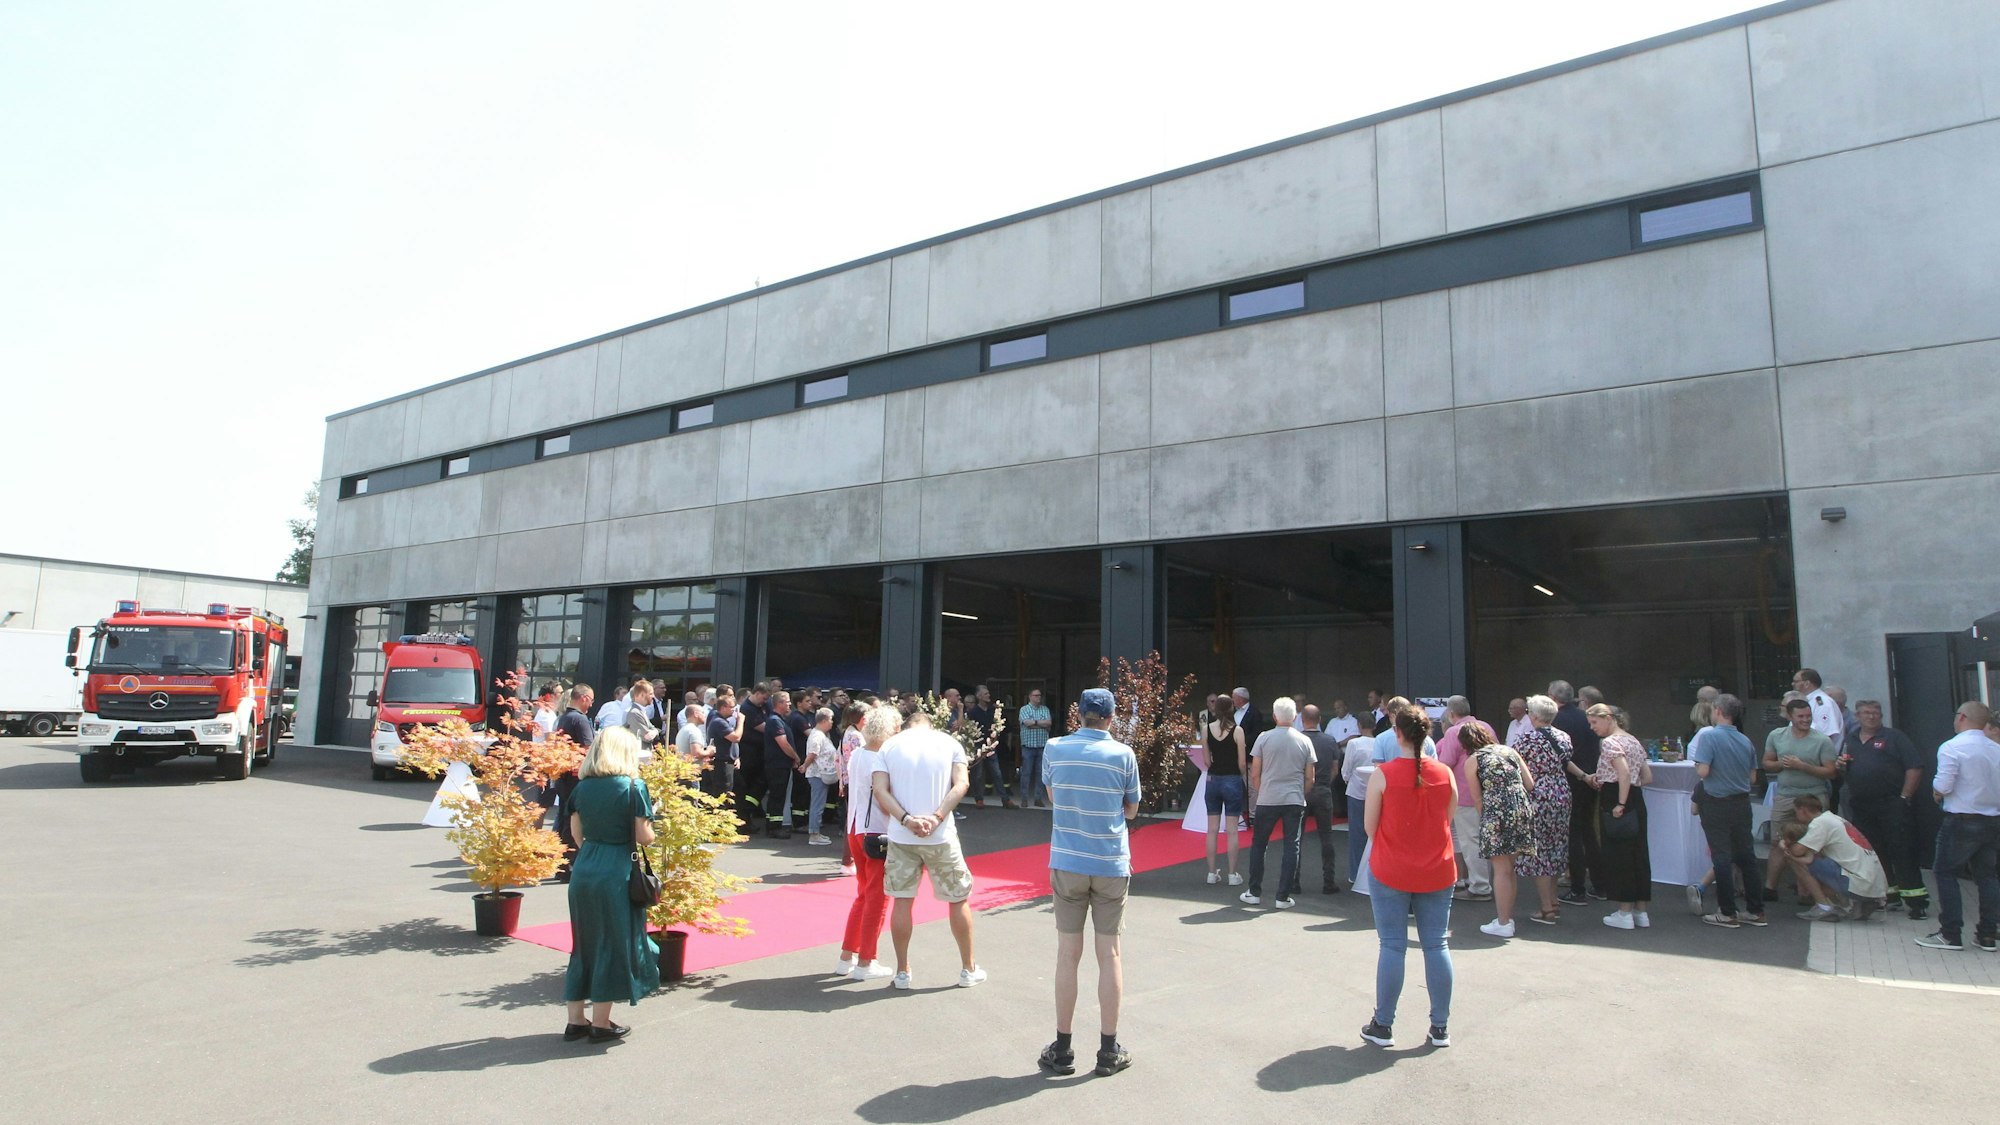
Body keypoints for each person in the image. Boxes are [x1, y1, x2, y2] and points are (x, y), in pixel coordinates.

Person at [1037, 687, 1140, 1078]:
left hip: (1068, 860)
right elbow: (1131, 808)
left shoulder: (1055, 748)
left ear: (1078, 714)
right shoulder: (1123, 754)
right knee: (1109, 954)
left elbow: (1052, 794)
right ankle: (1108, 1049)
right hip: (1111, 861)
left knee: (1068, 954)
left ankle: (1062, 1049)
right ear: (1111, 718)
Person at [1360, 704, 1456, 1050]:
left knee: (1392, 945)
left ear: (1396, 733)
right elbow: (1448, 817)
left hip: (1391, 868)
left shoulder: (1382, 775)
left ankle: (1383, 1024)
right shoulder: (1445, 773)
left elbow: (1371, 826)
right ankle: (1440, 1027)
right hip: (1437, 868)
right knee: (1436, 944)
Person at [870, 706, 985, 988]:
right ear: (930, 725)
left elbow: (880, 790)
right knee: (958, 899)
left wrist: (907, 819)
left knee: (902, 899)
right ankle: (967, 968)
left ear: (905, 726)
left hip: (902, 835)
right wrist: (937, 816)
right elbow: (961, 784)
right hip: (940, 835)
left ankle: (902, 971)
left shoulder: (889, 746)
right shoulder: (949, 743)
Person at [561, 725, 658, 1043]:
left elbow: (577, 835)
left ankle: (576, 1021)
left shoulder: (583, 787)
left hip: (585, 870)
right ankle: (601, 1023)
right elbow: (645, 836)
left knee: (584, 946)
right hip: (617, 873)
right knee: (613, 944)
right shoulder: (633, 786)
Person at [1917, 702, 2000, 952]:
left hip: (1962, 818)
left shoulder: (1952, 747)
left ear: (1961, 717)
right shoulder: (1995, 748)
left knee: (1944, 872)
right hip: (1992, 819)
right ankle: (1987, 934)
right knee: (1987, 876)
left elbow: (1943, 785)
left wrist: (1937, 791)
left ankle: (1950, 933)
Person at [1843, 700, 1928, 918]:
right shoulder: (1851, 738)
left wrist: (1904, 797)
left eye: (1876, 713)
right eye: (1867, 713)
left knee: (1902, 850)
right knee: (1874, 852)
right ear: (1857, 715)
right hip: (1862, 806)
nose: (1872, 717)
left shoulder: (1894, 737)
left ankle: (1916, 902)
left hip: (1892, 804)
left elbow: (1914, 767)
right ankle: (1889, 896)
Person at [1689, 694, 1767, 928]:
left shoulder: (1709, 737)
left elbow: (1703, 772)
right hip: (1741, 801)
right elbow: (1753, 776)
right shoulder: (1745, 740)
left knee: (1721, 856)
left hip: (1717, 800)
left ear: (1718, 711)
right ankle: (1756, 910)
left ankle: (1727, 911)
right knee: (1746, 856)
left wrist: (1699, 766)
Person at [837, 704, 900, 981]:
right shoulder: (881, 758)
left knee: (864, 895)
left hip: (855, 829)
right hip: (874, 832)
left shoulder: (859, 754)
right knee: (877, 897)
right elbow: (884, 800)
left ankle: (847, 956)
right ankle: (866, 960)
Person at [1239, 697, 1314, 910]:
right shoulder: (1304, 740)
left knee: (1259, 844)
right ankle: (1283, 896)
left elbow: (1255, 773)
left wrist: (1264, 791)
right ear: (1295, 717)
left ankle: (1254, 891)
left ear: (1274, 716)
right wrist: (1300, 793)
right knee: (1292, 845)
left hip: (1268, 798)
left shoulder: (1264, 738)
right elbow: (1310, 777)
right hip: (1293, 798)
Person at [1762, 697, 1839, 902]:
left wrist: (1803, 766)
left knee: (1815, 844)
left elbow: (1831, 772)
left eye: (1808, 716)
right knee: (1778, 841)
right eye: (1801, 716)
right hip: (1786, 795)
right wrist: (1782, 764)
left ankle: (1810, 891)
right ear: (1790, 716)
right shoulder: (1776, 736)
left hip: (1814, 795)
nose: (1805, 720)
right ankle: (1770, 887)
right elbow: (1767, 763)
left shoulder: (1821, 740)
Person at [1463, 723, 1534, 938]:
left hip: (1496, 814)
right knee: (1509, 868)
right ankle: (1506, 917)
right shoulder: (1509, 750)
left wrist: (1487, 820)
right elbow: (1530, 783)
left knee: (1501, 870)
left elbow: (1477, 799)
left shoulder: (1473, 760)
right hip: (1521, 809)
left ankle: (1504, 923)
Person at [1588, 703, 1654, 930]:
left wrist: (1620, 802)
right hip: (1636, 799)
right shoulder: (1633, 740)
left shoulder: (1610, 742)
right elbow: (1646, 777)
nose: (1592, 727)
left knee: (1619, 855)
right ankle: (1641, 912)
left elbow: (1623, 772)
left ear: (1608, 718)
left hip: (1617, 798)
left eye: (1594, 722)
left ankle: (1624, 912)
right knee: (1639, 853)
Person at [1775, 793, 1888, 922]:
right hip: (1874, 884)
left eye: (1796, 812)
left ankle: (1824, 907)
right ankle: (1858, 903)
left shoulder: (1820, 823)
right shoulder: (1835, 819)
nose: (1796, 816)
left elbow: (1797, 851)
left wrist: (1783, 844)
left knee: (1795, 859)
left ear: (1803, 810)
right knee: (1820, 859)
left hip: (1858, 883)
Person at [1510, 695, 1571, 925]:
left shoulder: (1526, 739)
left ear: (1533, 715)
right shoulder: (1563, 737)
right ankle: (1553, 901)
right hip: (1562, 791)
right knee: (1556, 847)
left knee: (1540, 852)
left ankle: (1547, 909)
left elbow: (1514, 763)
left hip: (1538, 793)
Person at [1435, 696, 1496, 903]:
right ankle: (1483, 881)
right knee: (1484, 839)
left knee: (1470, 841)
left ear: (1451, 714)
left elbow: (1445, 763)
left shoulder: (1454, 732)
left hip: (1465, 793)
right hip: (1488, 792)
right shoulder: (1486, 726)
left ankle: (1479, 886)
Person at [1549, 680, 1603, 906]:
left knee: (1573, 835)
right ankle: (1600, 885)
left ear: (1552, 697)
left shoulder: (1556, 721)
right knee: (1589, 832)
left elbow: (1560, 757)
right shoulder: (1585, 717)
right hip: (1591, 778)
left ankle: (1577, 887)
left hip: (1571, 780)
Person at [550, 684, 596, 883]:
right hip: (576, 777)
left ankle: (561, 865)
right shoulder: (580, 719)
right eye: (591, 700)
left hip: (562, 775)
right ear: (584, 698)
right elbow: (588, 748)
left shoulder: (563, 718)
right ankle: (570, 864)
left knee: (563, 820)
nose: (592, 704)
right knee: (573, 822)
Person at [1202, 701, 1248, 886]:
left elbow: (1206, 761)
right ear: (1231, 710)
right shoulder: (1238, 731)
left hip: (1213, 779)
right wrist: (1239, 775)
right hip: (1232, 779)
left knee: (1211, 830)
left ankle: (1211, 873)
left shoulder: (1206, 729)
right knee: (1232, 831)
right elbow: (1242, 763)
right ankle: (1232, 874)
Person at [1300, 705, 1344, 894]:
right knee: (1326, 837)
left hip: (1301, 791)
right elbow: (1335, 768)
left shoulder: (1298, 740)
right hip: (1323, 790)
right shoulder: (1330, 740)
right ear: (1320, 720)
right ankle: (1329, 881)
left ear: (1302, 720)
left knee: (1296, 837)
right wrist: (1325, 782)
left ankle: (1293, 881)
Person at [965, 685, 1012, 808]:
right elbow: (969, 729)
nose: (988, 696)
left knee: (997, 773)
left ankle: (1005, 799)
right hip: (978, 746)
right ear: (979, 696)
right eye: (986, 694)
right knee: (978, 774)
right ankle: (979, 799)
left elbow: (999, 726)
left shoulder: (993, 711)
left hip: (991, 746)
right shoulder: (973, 712)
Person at [762, 690, 801, 839]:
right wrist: (796, 757)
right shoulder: (774, 721)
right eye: (787, 701)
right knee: (777, 796)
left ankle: (774, 825)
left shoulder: (779, 720)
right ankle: (774, 827)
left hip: (781, 764)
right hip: (777, 765)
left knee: (778, 796)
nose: (790, 704)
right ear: (779, 703)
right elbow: (783, 743)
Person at [803, 707, 842, 846]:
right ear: (824, 720)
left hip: (821, 774)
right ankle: (814, 834)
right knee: (817, 804)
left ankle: (816, 832)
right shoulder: (817, 735)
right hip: (818, 774)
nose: (832, 722)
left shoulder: (820, 735)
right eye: (831, 720)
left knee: (818, 803)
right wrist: (804, 766)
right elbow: (812, 753)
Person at [736, 682, 771, 829]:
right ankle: (744, 817)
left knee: (760, 783)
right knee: (748, 785)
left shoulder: (764, 706)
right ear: (756, 693)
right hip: (748, 754)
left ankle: (750, 811)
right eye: (764, 697)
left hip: (760, 753)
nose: (765, 701)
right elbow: (765, 728)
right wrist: (778, 725)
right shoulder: (747, 708)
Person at [702, 688, 741, 805]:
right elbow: (735, 737)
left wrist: (736, 756)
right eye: (732, 707)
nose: (734, 711)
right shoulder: (718, 721)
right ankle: (720, 819)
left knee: (731, 791)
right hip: (722, 762)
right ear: (723, 707)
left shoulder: (723, 720)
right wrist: (741, 722)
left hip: (728, 761)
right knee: (723, 794)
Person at [1016, 688, 1053, 809]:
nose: (1039, 698)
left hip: (1042, 745)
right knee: (1026, 773)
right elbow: (1026, 723)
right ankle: (1024, 799)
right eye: (1036, 695)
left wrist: (1034, 723)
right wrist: (1040, 724)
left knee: (1040, 773)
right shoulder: (1024, 709)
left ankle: (1038, 798)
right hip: (1028, 746)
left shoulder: (1045, 709)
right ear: (1030, 697)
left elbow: (1048, 723)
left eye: (1040, 695)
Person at [623, 680, 662, 759]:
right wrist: (654, 732)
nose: (653, 696)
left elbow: (654, 729)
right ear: (641, 695)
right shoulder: (635, 713)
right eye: (651, 693)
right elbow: (647, 736)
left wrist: (654, 731)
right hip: (639, 758)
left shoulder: (641, 712)